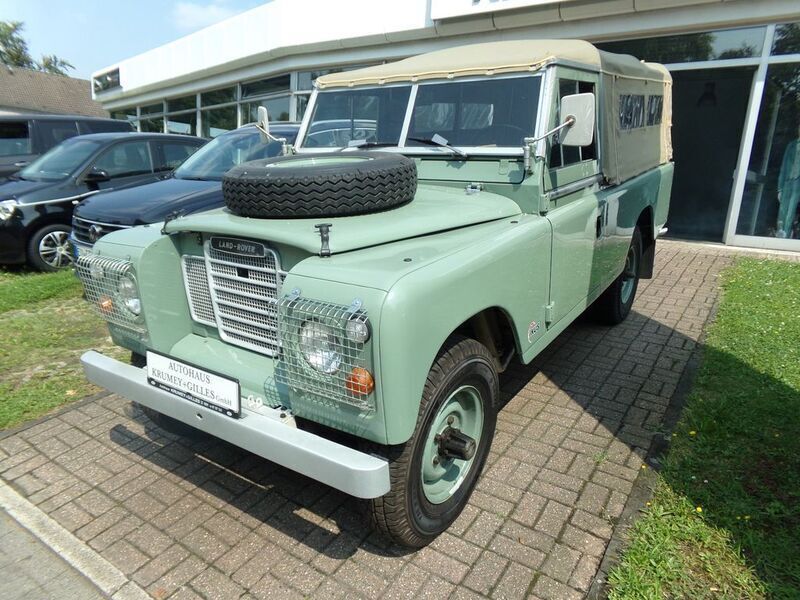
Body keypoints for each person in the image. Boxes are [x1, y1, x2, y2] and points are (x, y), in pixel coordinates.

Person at [777, 131, 800, 239]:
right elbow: (783, 166)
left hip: (798, 183)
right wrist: (780, 188)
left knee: (791, 212)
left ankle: (786, 238)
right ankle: (780, 235)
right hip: (787, 182)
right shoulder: (791, 145)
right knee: (782, 211)